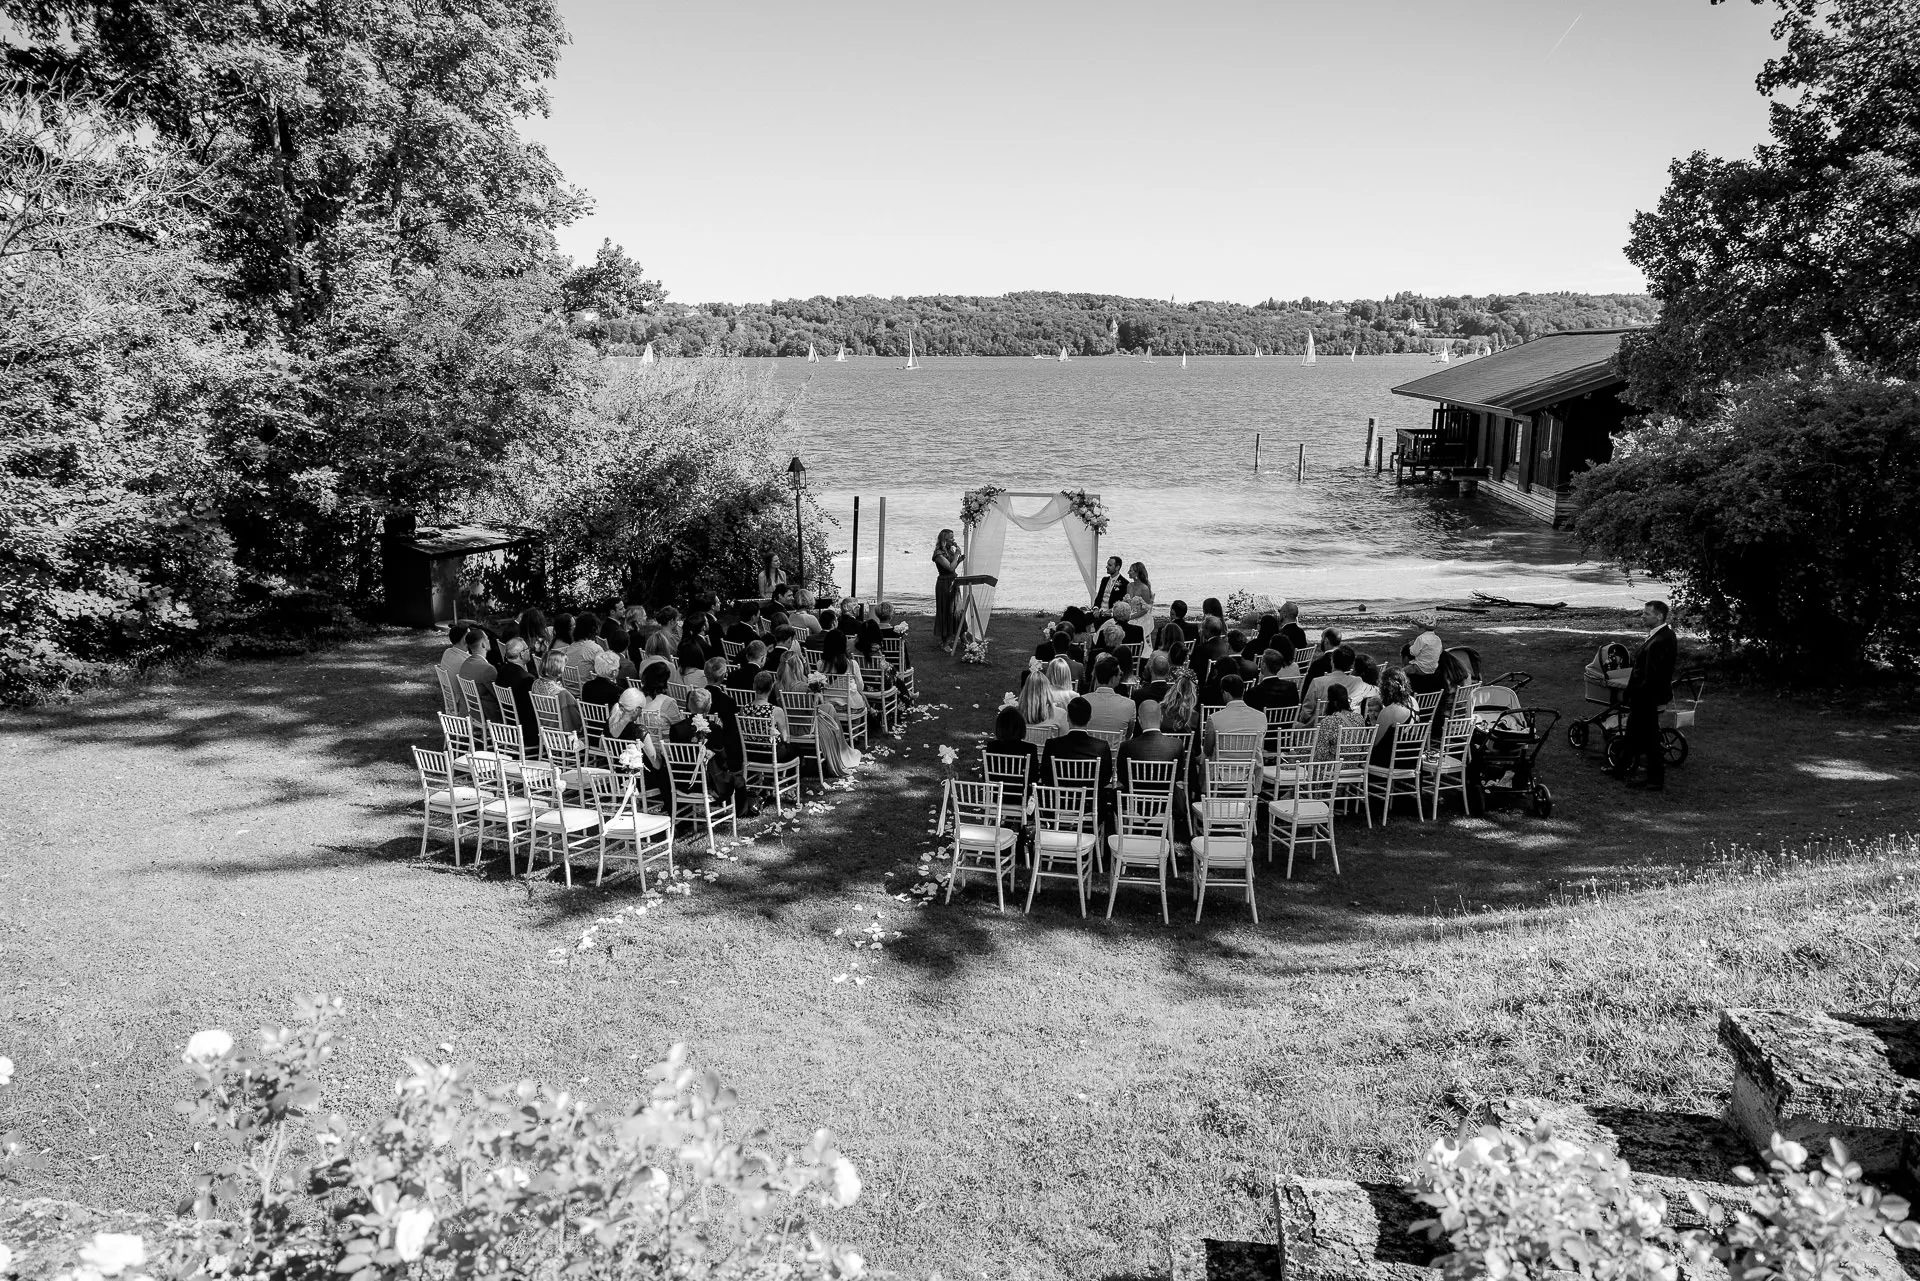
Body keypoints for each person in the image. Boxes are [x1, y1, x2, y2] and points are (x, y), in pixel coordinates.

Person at [1612, 600, 1677, 790]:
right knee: (1632, 734)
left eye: (1646, 614)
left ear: (1659, 617)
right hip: (1646, 695)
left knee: (1650, 740)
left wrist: (1633, 694)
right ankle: (1620, 768)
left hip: (1647, 697)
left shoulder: (1661, 640)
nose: (1642, 616)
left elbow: (1651, 676)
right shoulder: (1660, 636)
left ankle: (1655, 780)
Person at [1041, 696, 1113, 798]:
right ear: (1089, 718)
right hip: (1090, 803)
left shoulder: (1052, 745)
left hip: (1060, 802)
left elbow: (1045, 777)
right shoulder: (1102, 747)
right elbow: (1105, 779)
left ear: (1068, 718)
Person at [1204, 673, 1265, 756]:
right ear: (1243, 691)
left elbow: (1207, 751)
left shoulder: (1213, 719)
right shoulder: (1261, 717)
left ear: (1225, 693)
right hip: (1252, 768)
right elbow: (1260, 747)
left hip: (1221, 767)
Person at [1301, 644, 1363, 724]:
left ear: (1332, 661)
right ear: (1351, 665)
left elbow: (1306, 713)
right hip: (1349, 730)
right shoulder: (1358, 682)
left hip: (1318, 731)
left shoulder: (1317, 682)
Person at [1369, 668, 1417, 766]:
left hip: (1391, 762)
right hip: (1412, 759)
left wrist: (1373, 723)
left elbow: (1374, 743)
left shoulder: (1389, 711)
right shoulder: (1413, 702)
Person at [529, 654, 583, 734]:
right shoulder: (562, 693)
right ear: (558, 668)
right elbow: (576, 718)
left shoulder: (536, 683)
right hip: (562, 733)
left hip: (545, 729)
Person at [1085, 654, 1137, 737]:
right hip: (1117, 749)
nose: (1121, 675)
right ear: (1113, 678)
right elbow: (1128, 735)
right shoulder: (1129, 704)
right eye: (1120, 674)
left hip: (1088, 749)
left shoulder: (1083, 701)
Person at [1312, 685, 1367, 761]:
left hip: (1333, 766)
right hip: (1354, 764)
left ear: (1332, 702)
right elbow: (1365, 747)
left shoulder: (1328, 721)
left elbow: (1321, 753)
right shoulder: (1359, 718)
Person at [932, 528, 966, 652]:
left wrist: (959, 560)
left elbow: (952, 567)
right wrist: (957, 555)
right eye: (951, 538)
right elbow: (949, 568)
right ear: (944, 539)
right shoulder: (938, 554)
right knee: (946, 611)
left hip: (953, 581)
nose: (954, 540)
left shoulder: (948, 551)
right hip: (944, 584)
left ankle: (962, 636)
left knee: (957, 609)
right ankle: (945, 641)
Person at [1244, 649, 1302, 716]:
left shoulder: (1253, 693)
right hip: (1286, 726)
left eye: (1262, 661)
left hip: (1264, 725)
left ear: (1264, 665)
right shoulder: (1292, 688)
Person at [1018, 669, 1067, 739]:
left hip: (1023, 750)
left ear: (1025, 690)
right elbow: (1065, 742)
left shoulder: (1015, 715)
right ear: (1047, 690)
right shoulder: (1061, 714)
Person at [1404, 628, 1446, 695]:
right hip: (1433, 668)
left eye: (1419, 627)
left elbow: (1413, 652)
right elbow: (1440, 651)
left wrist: (1412, 645)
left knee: (1401, 672)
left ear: (1423, 628)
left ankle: (1405, 691)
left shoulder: (1420, 638)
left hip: (1420, 668)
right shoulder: (1437, 639)